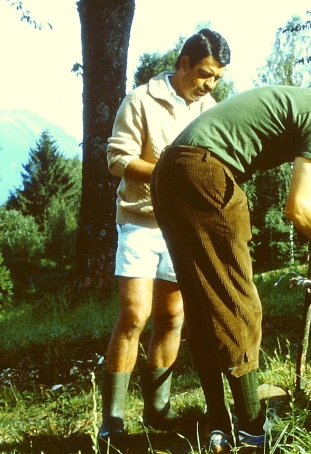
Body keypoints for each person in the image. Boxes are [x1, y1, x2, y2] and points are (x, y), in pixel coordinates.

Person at [150, 69, 311, 451]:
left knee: (203, 305)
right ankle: (253, 431)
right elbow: (299, 209)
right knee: (239, 306)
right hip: (206, 174)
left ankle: (217, 423)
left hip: (171, 172)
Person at [99, 29, 231, 441]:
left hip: (185, 227)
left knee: (172, 317)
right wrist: (167, 175)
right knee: (135, 315)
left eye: (217, 79)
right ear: (184, 64)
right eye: (204, 74)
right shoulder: (140, 100)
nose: (208, 85)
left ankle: (157, 413)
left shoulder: (210, 109)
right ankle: (113, 422)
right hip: (140, 221)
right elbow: (117, 157)